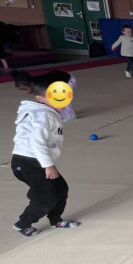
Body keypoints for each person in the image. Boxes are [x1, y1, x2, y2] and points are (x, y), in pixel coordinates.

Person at [9, 75, 80, 236]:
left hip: (35, 161)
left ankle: (56, 220)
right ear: (40, 99)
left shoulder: (46, 113)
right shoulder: (43, 116)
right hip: (29, 162)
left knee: (60, 188)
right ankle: (23, 224)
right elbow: (36, 142)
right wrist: (48, 165)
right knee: (45, 196)